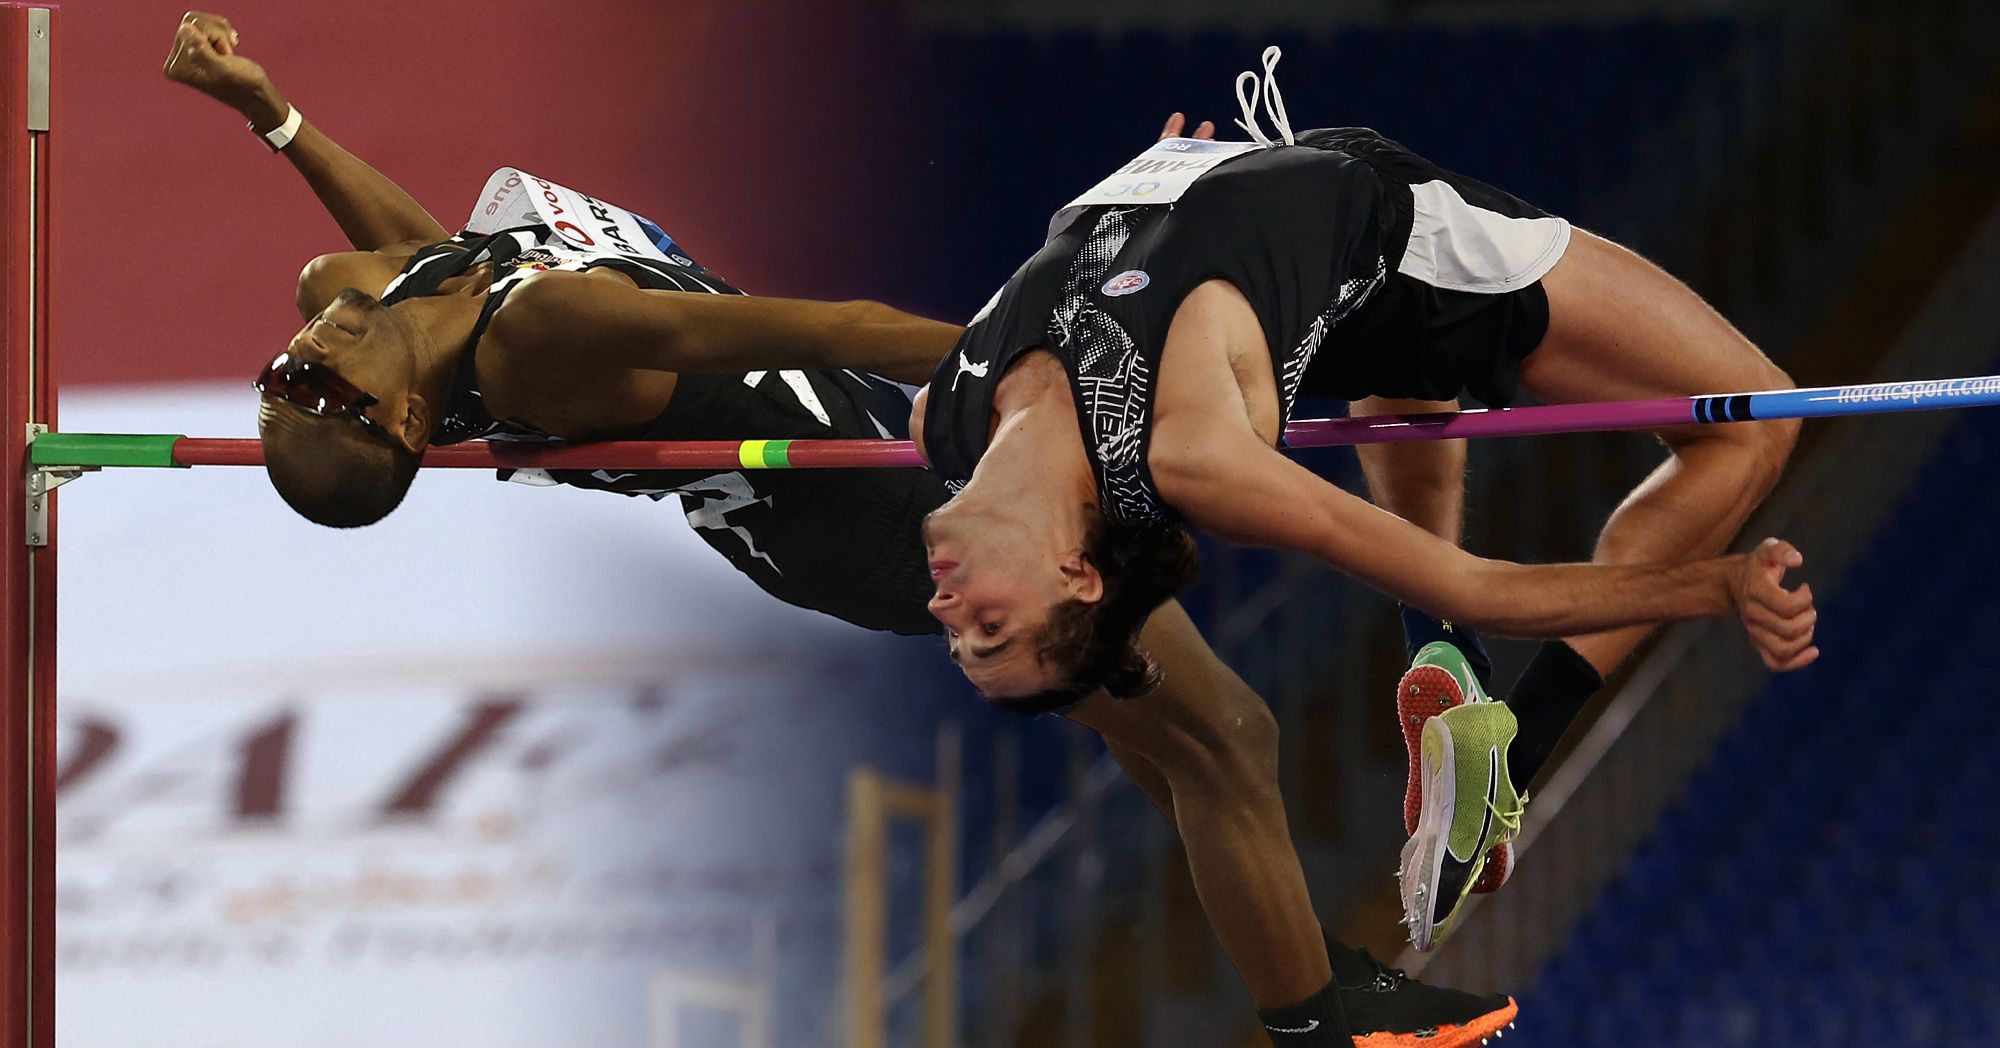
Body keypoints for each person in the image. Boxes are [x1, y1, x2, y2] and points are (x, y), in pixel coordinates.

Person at [163, 13, 1517, 1046]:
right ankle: (1321, 1020)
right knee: (1227, 732)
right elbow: (832, 326)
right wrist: (1073, 339)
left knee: (1182, 741)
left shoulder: (434, 319)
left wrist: (273, 118)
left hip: (848, 485)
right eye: (327, 382)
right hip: (867, 508)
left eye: (291, 368)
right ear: (404, 422)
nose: (312, 340)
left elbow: (422, 268)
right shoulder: (552, 340)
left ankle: (1309, 982)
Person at [910, 49, 1818, 953]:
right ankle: (1518, 745)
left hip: (1295, 246)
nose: (947, 612)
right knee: (1757, 419)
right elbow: (1479, 585)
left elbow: (1080, 274)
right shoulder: (1188, 454)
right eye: (990, 631)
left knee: (1408, 370)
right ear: (1076, 575)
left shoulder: (944, 419)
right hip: (1397, 243)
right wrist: (1718, 586)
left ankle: (1441, 660)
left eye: (959, 642)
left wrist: (1140, 199)